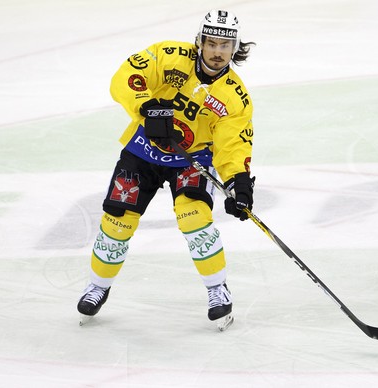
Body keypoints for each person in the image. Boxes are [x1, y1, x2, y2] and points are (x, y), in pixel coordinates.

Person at [77, 9, 256, 330]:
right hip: (141, 152)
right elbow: (128, 77)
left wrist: (239, 182)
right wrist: (146, 106)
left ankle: (218, 289)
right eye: (211, 42)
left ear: (235, 48)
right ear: (200, 41)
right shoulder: (170, 55)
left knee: (196, 222)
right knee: (117, 221)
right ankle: (98, 286)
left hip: (191, 160)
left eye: (225, 45)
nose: (217, 51)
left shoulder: (235, 97)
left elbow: (233, 144)